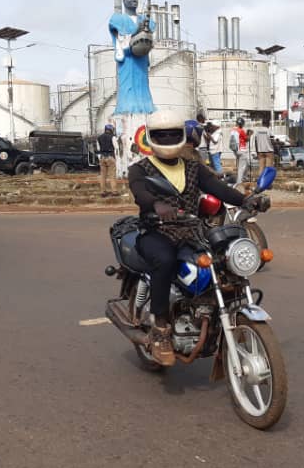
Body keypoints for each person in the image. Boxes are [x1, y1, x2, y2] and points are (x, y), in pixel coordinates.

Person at [128, 110, 270, 366]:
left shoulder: (193, 166)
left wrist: (246, 199)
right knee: (165, 260)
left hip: (192, 231)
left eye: (173, 134)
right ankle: (160, 328)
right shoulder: (140, 169)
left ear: (182, 136)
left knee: (222, 259)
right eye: (162, 135)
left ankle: (210, 311)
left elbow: (218, 189)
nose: (169, 138)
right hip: (156, 231)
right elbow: (140, 194)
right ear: (151, 138)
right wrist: (157, 206)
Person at [96, 125, 118, 196]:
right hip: (110, 157)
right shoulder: (113, 137)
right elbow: (116, 147)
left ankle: (103, 191)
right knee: (112, 175)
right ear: (111, 130)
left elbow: (98, 149)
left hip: (102, 157)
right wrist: (116, 158)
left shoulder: (99, 138)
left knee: (103, 175)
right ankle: (114, 191)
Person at [230, 118, 250, 185]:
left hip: (236, 150)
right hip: (242, 150)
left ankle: (244, 178)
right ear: (241, 124)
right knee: (242, 167)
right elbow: (247, 139)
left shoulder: (233, 130)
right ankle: (239, 182)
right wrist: (249, 134)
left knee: (245, 164)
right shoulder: (241, 130)